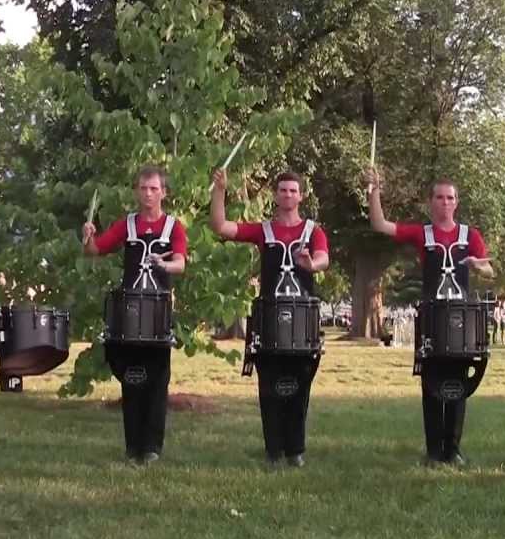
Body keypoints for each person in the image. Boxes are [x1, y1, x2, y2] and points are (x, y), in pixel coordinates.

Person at [366, 167, 494, 465]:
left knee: (459, 382)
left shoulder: (470, 236)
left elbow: (489, 271)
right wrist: (374, 191)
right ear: (431, 202)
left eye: (450, 197)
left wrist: (479, 268)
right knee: (432, 383)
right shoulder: (422, 233)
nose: (445, 202)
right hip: (433, 317)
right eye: (439, 197)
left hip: (462, 318)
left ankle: (454, 449)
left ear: (456, 202)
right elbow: (380, 224)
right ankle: (434, 450)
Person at [210, 168, 329, 467]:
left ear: (301, 195)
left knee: (300, 383)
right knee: (270, 385)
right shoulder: (264, 230)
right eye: (283, 190)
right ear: (276, 195)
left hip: (302, 321)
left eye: (293, 190)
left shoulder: (313, 231)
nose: (288, 195)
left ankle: (296, 450)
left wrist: (312, 264)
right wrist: (219, 191)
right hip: (270, 318)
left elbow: (324, 258)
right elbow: (221, 226)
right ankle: (273, 450)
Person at [82, 165, 188, 465]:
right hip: (129, 312)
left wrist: (164, 265)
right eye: (143, 188)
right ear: (137, 191)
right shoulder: (127, 225)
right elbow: (95, 250)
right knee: (132, 378)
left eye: (154, 188)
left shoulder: (173, 227)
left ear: (163, 193)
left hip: (157, 312)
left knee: (157, 379)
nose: (148, 193)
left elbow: (180, 262)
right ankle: (133, 446)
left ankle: (152, 447)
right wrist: (88, 236)